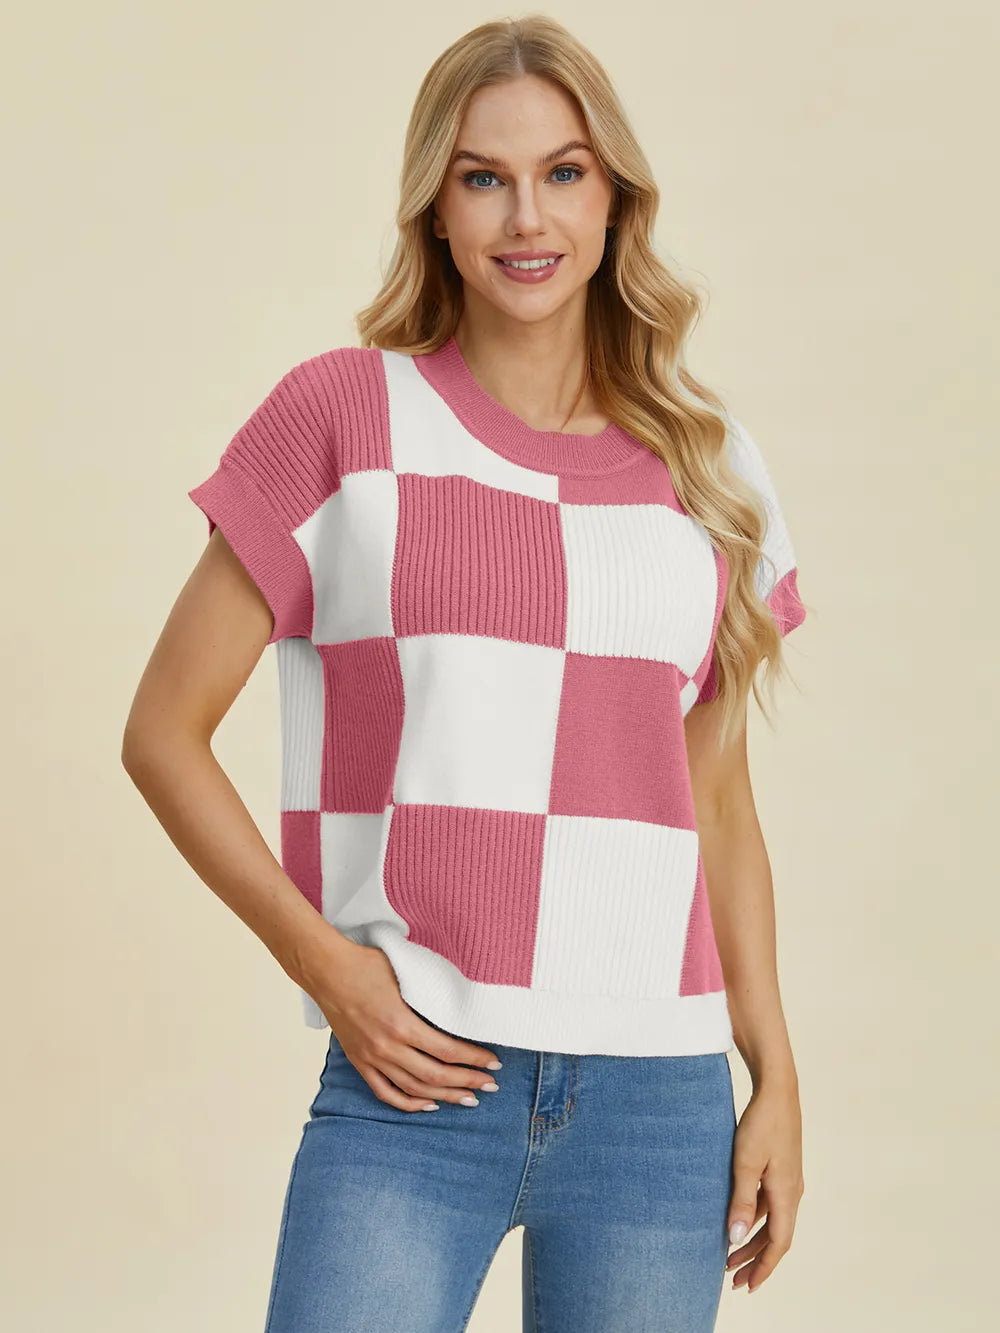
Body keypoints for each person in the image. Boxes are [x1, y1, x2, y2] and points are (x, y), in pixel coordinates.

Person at [122, 14, 808, 1332]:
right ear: (435, 208)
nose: (525, 215)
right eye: (483, 177)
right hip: (417, 1080)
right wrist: (329, 968)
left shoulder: (711, 466)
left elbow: (717, 803)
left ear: (615, 200)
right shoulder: (343, 418)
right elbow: (160, 732)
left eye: (564, 172)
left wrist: (774, 1071)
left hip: (658, 1099)